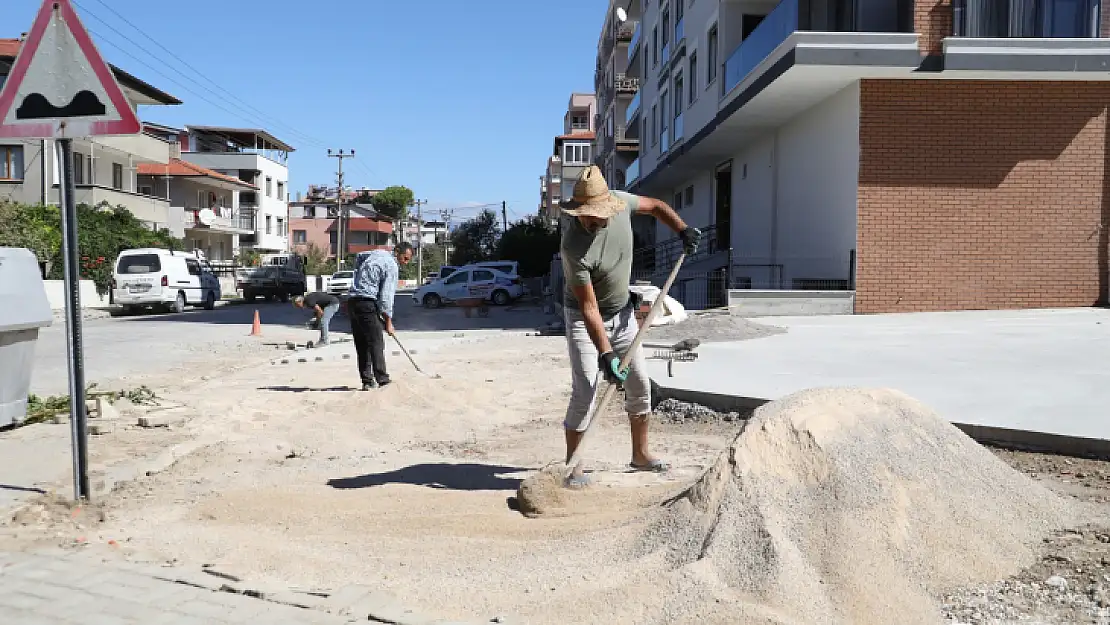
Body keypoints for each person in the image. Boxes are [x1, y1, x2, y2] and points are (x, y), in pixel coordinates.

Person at [559, 165, 700, 487]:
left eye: (595, 215)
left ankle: (640, 454)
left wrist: (682, 230)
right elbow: (589, 307)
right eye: (584, 215)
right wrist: (606, 354)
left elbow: (658, 207)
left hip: (623, 314)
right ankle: (573, 465)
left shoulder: (624, 204)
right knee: (586, 391)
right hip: (584, 320)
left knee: (639, 386)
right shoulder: (573, 247)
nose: (590, 221)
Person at [347, 243, 414, 390]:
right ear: (397, 252)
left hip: (352, 301)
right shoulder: (392, 265)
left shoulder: (378, 253)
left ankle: (367, 381)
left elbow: (359, 256)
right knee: (376, 342)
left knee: (362, 344)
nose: (405, 262)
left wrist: (359, 278)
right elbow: (386, 297)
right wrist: (389, 321)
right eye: (405, 258)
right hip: (367, 302)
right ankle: (382, 379)